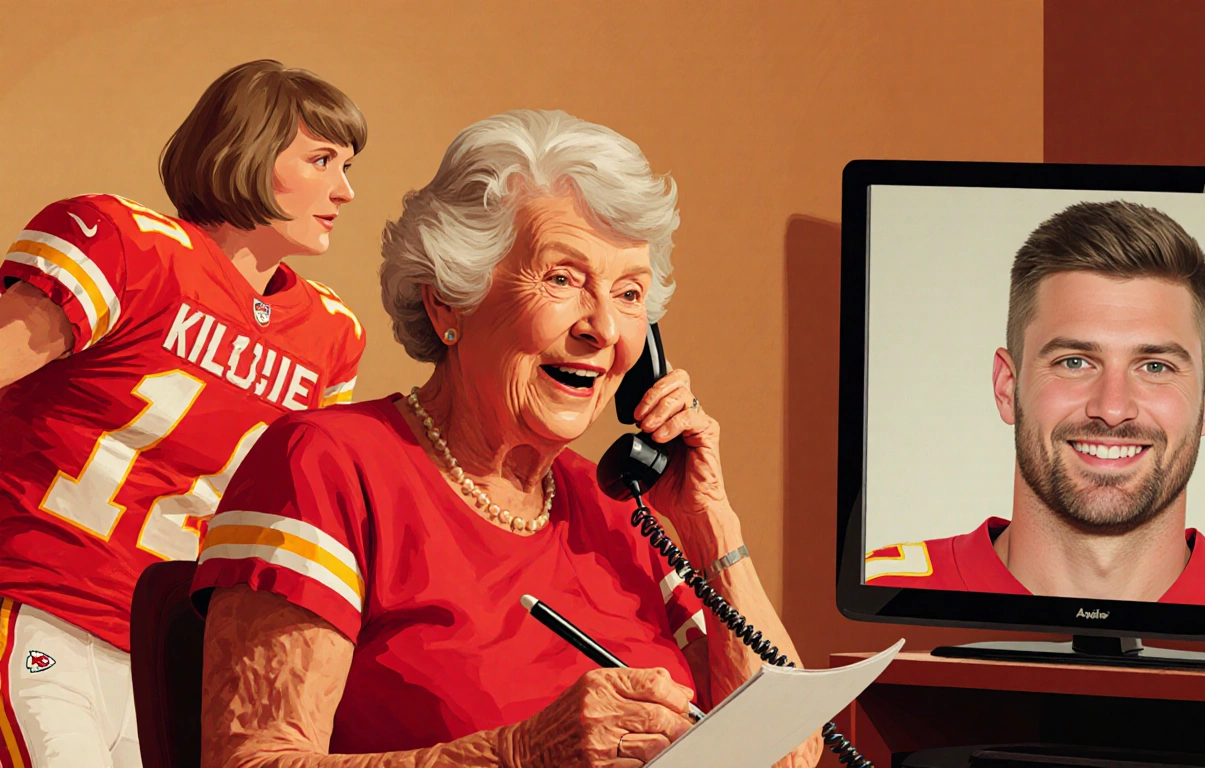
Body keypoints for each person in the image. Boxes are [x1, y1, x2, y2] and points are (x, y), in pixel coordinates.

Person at [189, 109, 824, 768]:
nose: (603, 328)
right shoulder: (327, 465)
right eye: (563, 279)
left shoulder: (632, 513)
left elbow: (791, 758)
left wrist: (708, 520)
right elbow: (252, 761)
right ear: (448, 301)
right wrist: (516, 755)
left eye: (630, 293)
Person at [0, 59, 367, 767]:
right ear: (249, 152)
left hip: (163, 657)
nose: (344, 190)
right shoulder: (125, 244)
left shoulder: (331, 335)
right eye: (321, 160)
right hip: (37, 602)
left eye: (347, 165)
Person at [864, 200, 1205, 612]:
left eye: (1154, 367)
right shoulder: (882, 597)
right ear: (1007, 386)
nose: (1112, 409)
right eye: (1075, 362)